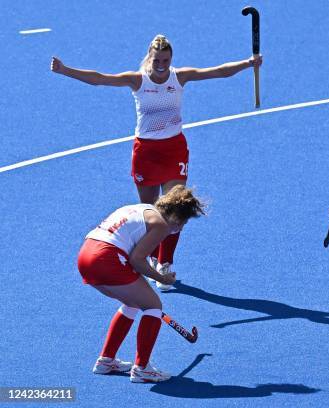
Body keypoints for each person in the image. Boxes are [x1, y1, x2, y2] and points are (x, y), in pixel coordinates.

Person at [52, 34, 262, 290]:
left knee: (176, 208)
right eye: (156, 60)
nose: (161, 64)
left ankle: (165, 263)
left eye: (165, 59)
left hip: (174, 149)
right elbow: (99, 79)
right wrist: (65, 70)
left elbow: (217, 72)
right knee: (151, 211)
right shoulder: (137, 80)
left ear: (171, 59)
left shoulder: (179, 77)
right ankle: (148, 257)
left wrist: (248, 63)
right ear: (148, 58)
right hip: (146, 153)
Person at [77, 185, 205, 383]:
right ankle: (142, 368)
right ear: (178, 217)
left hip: (86, 256)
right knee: (153, 305)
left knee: (133, 302)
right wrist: (163, 278)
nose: (181, 228)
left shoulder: (140, 209)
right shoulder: (161, 224)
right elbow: (137, 259)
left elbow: (130, 253)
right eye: (184, 223)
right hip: (106, 257)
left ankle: (106, 361)